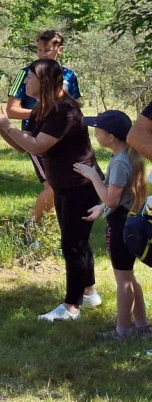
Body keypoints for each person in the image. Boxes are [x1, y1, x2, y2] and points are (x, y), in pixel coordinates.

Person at [0, 59, 102, 321]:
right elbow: (23, 146)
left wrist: (7, 125)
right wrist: (2, 129)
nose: (26, 82)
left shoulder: (64, 111)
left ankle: (71, 307)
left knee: (73, 244)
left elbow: (37, 146)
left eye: (30, 77)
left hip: (81, 185)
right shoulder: (42, 109)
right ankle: (88, 293)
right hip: (64, 185)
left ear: (44, 82)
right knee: (75, 240)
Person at [73, 111, 148, 339]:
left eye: (97, 132)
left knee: (123, 281)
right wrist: (102, 209)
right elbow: (120, 198)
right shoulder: (129, 155)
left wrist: (92, 176)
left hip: (120, 229)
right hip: (130, 222)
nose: (94, 135)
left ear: (111, 137)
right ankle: (142, 325)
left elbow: (112, 199)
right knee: (129, 277)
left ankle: (122, 331)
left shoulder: (120, 162)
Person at [6, 30, 82, 223]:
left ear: (60, 50)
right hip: (36, 133)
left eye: (47, 50)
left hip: (63, 136)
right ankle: (32, 225)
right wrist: (43, 113)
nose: (42, 54)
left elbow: (75, 105)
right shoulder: (26, 74)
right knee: (53, 185)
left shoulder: (70, 76)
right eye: (39, 50)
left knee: (65, 184)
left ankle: (52, 227)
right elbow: (11, 110)